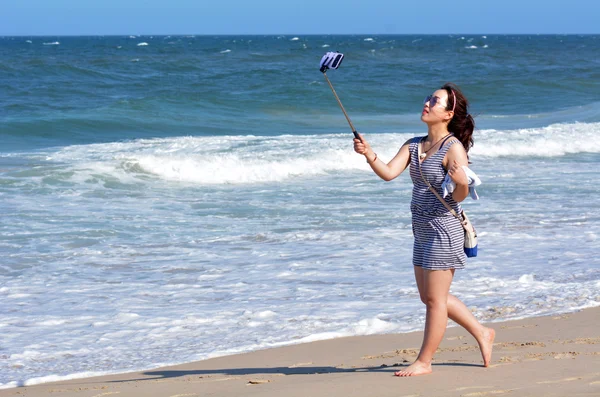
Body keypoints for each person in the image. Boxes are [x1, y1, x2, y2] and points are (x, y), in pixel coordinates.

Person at [353, 83, 495, 377]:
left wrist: (463, 183)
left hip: (444, 229)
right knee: (430, 298)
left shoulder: (453, 148)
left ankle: (424, 362)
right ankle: (482, 332)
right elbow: (390, 173)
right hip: (421, 227)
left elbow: (457, 198)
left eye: (435, 100)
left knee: (434, 300)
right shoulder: (414, 144)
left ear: (448, 113)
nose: (427, 103)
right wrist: (368, 153)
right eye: (429, 98)